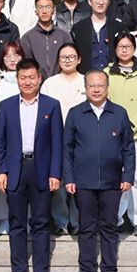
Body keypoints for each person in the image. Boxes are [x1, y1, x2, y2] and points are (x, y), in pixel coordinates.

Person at [64, 69, 135, 272]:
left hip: (112, 181)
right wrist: (69, 178)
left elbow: (128, 148)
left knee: (109, 228)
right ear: (85, 88)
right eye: (92, 86)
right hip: (83, 182)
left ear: (107, 87)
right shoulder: (75, 113)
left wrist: (128, 176)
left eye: (100, 85)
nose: (96, 90)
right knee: (86, 228)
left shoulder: (119, 113)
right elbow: (67, 149)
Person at [0, 59, 63, 272]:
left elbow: (57, 142)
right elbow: (0, 142)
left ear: (39, 79)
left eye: (31, 77)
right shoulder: (6, 106)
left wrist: (55, 173)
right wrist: (2, 171)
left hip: (41, 170)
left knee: (41, 223)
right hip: (15, 170)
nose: (27, 82)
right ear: (17, 80)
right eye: (23, 78)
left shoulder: (51, 106)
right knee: (16, 223)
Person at [104, 33, 137, 237]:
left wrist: (132, 124)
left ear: (134, 49)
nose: (124, 50)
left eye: (128, 46)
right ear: (115, 49)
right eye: (120, 46)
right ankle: (116, 219)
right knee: (116, 177)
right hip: (113, 133)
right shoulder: (107, 72)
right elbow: (104, 100)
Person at [41, 43, 85, 236]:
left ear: (79, 59)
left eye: (71, 56)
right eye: (63, 57)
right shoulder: (50, 83)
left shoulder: (86, 81)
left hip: (82, 139)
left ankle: (77, 220)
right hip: (56, 137)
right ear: (58, 60)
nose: (68, 60)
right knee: (58, 182)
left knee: (78, 181)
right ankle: (61, 220)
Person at [0, 41, 25, 235]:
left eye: (16, 55)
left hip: (25, 135)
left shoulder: (27, 78)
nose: (12, 59)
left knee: (25, 181)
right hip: (3, 135)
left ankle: (24, 219)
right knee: (3, 180)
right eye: (8, 55)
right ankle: (3, 219)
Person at [72, 0, 127, 74]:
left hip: (113, 76)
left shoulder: (118, 27)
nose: (101, 2)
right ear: (90, 1)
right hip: (86, 76)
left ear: (109, 2)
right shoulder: (79, 28)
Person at [20, 0, 73, 80]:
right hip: (37, 84)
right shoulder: (27, 38)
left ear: (53, 10)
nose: (44, 11)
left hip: (61, 82)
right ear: (36, 11)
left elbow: (71, 60)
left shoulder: (64, 36)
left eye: (48, 7)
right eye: (40, 7)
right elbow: (26, 65)